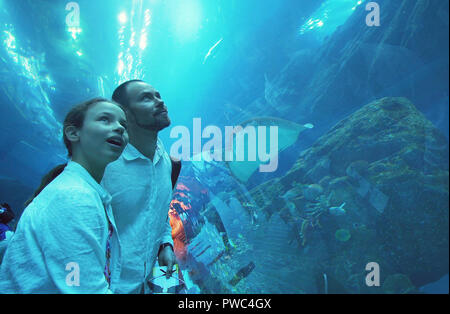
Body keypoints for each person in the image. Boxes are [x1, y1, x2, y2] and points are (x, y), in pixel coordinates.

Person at [0, 98, 128, 293]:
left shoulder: (84, 192)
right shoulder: (75, 198)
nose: (119, 128)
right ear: (73, 132)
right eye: (105, 119)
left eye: (123, 124)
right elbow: (84, 289)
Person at [102, 80, 178, 294]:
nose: (160, 101)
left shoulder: (167, 162)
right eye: (146, 98)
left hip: (146, 285)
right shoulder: (105, 167)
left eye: (158, 95)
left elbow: (159, 211)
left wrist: (165, 244)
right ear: (124, 112)